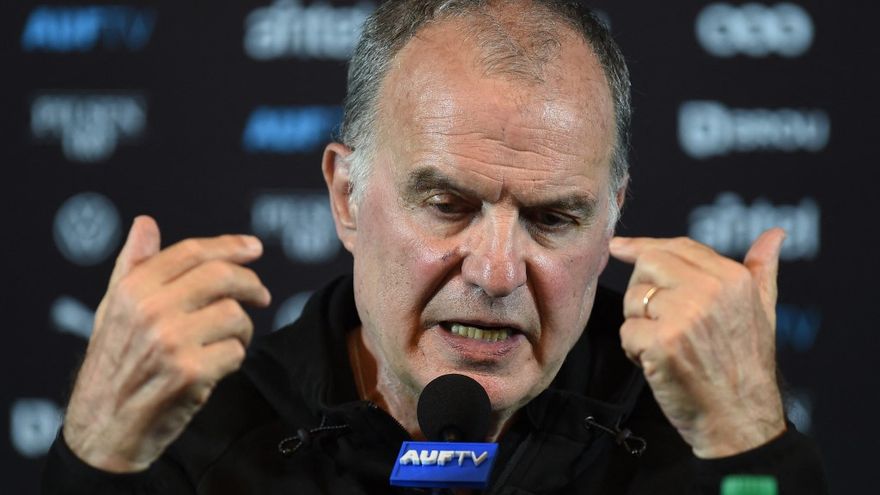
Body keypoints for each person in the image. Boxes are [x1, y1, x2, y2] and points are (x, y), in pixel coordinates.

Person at [42, 1, 827, 493]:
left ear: (611, 220)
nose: (496, 271)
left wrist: (751, 447)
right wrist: (95, 461)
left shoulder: (701, 433)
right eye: (448, 205)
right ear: (346, 197)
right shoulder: (207, 436)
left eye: (554, 217)